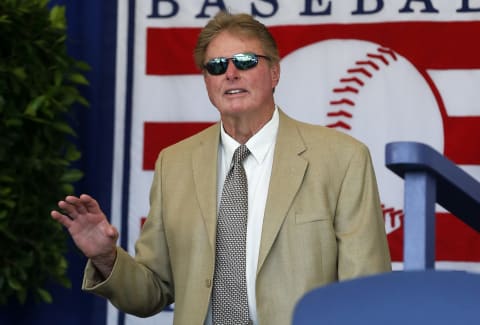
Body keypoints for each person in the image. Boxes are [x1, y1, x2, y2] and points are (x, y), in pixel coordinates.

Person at [51, 10, 391, 325]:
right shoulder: (174, 164)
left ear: (274, 72)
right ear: (207, 81)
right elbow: (151, 293)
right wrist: (107, 258)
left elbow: (364, 294)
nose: (230, 73)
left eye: (245, 61)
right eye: (216, 66)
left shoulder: (342, 158)